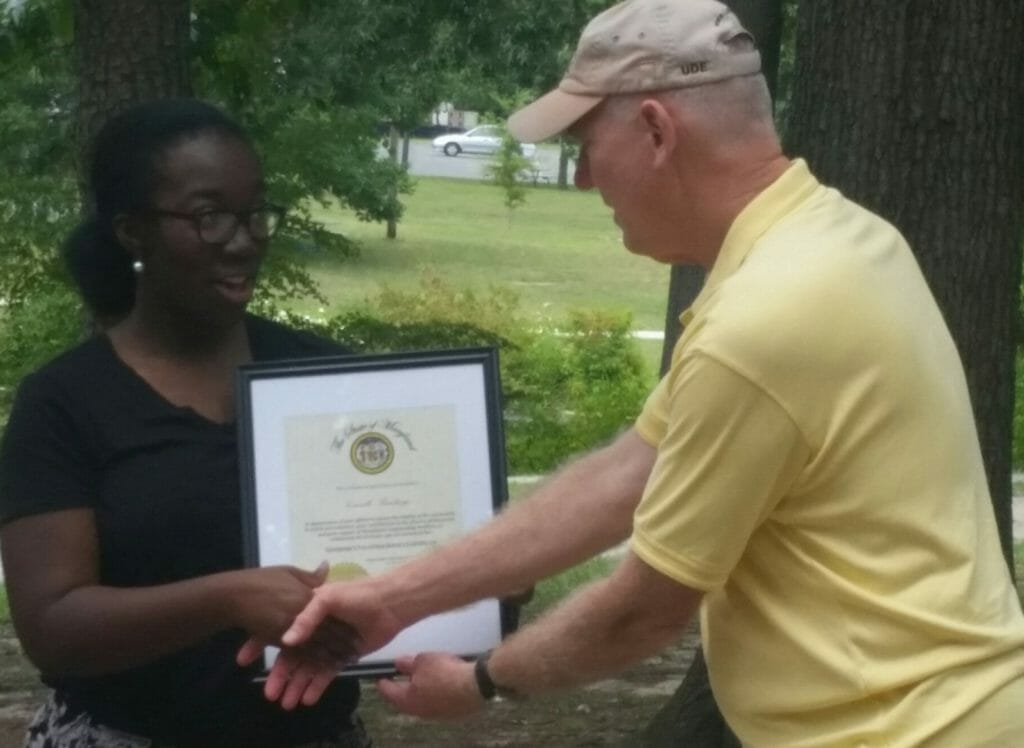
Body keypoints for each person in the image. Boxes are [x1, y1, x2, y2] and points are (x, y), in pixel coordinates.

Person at [256, 0, 1024, 745]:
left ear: (656, 131)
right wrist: (395, 598)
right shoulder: (841, 238)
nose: (585, 179)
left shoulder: (765, 320)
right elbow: (629, 473)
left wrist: (480, 682)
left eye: (588, 144)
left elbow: (644, 611)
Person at [0, 99, 372, 747]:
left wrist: (482, 575)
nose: (245, 235)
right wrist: (225, 599)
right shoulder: (63, 403)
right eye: (208, 216)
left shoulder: (329, 378)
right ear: (132, 232)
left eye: (256, 210)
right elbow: (52, 628)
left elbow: (406, 551)